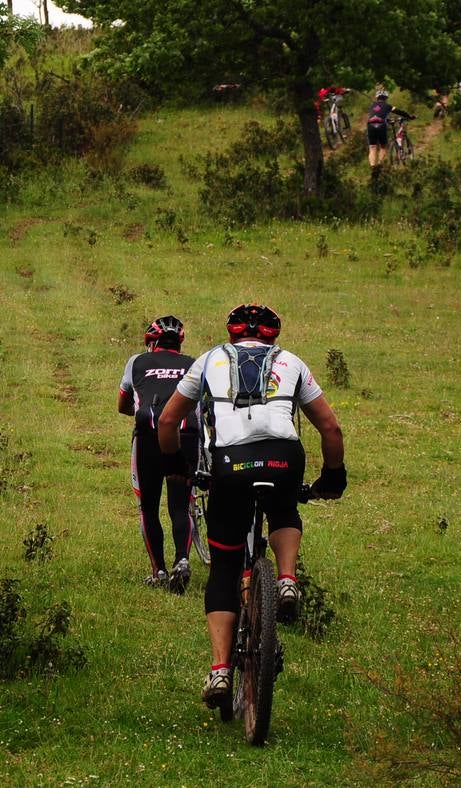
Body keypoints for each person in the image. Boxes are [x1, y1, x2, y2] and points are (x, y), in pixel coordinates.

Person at [156, 303, 346, 707]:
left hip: (230, 464)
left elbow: (168, 421)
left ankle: (220, 672)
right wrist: (333, 476)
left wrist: (174, 465)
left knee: (225, 566)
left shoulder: (209, 359)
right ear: (273, 336)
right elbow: (331, 427)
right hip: (283, 457)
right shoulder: (292, 362)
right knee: (284, 510)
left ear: (232, 333)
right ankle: (287, 579)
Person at [118, 315, 200, 594]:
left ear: (151, 343)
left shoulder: (136, 362)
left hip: (148, 438)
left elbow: (123, 404)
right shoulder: (194, 364)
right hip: (185, 435)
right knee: (181, 505)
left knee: (149, 507)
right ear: (179, 343)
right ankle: (182, 560)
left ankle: (159, 571)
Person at [365, 86, 394, 179]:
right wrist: (409, 116)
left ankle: (373, 167)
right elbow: (399, 111)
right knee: (383, 147)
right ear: (386, 98)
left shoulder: (372, 106)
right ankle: (380, 165)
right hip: (381, 125)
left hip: (370, 125)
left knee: (372, 147)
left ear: (377, 98)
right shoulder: (388, 106)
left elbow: (376, 114)